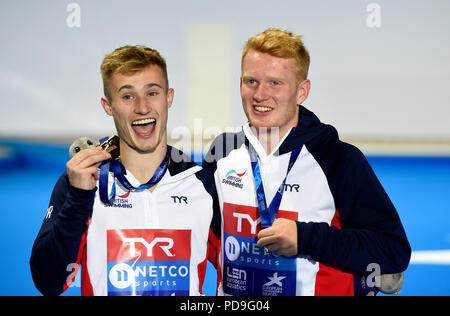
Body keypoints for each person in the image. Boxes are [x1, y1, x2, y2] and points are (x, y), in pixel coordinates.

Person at [202, 27, 411, 296]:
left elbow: (392, 250)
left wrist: (306, 238)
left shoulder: (338, 160)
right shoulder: (222, 152)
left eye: (275, 83)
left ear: (302, 91)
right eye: (251, 81)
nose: (259, 95)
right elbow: (200, 230)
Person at [30, 45, 220, 296]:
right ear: (108, 105)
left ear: (169, 97)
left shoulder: (200, 182)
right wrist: (78, 198)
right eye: (127, 96)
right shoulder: (81, 182)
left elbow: (241, 273)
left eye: (152, 93)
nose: (142, 107)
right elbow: (49, 282)